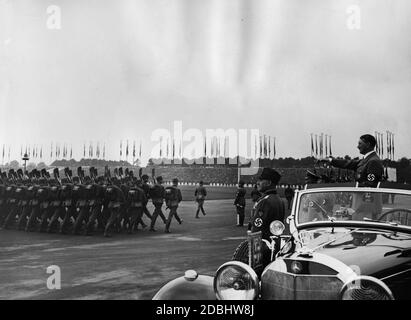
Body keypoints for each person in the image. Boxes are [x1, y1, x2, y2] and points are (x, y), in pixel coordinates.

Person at [248, 168, 285, 240]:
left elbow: (257, 228)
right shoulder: (279, 200)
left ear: (269, 183)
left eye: (261, 180)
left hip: (264, 244)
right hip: (274, 242)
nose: (257, 183)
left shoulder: (265, 201)